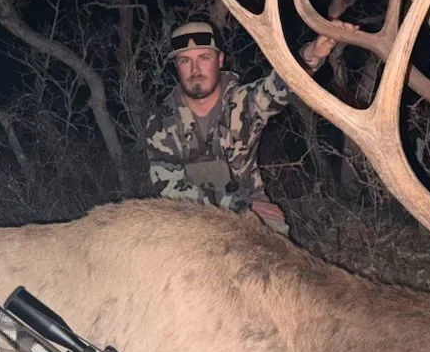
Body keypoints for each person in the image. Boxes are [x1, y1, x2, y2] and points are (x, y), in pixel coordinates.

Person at [145, 18, 347, 234]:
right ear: (177, 66)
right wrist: (236, 205)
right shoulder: (161, 122)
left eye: (204, 58)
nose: (195, 69)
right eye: (185, 60)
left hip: (252, 207)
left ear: (220, 60)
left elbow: (280, 86)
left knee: (272, 244)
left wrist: (313, 53)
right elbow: (169, 188)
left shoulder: (245, 103)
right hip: (191, 213)